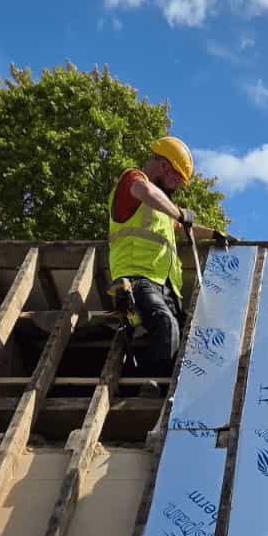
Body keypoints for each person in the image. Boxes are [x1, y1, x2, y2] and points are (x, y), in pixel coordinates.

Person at [106, 135, 232, 372]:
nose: (177, 186)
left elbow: (186, 230)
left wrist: (213, 233)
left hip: (166, 289)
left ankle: (156, 383)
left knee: (184, 338)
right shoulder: (133, 180)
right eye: (177, 179)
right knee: (166, 326)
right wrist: (179, 212)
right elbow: (142, 190)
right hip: (136, 280)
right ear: (165, 167)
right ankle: (147, 386)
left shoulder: (162, 212)